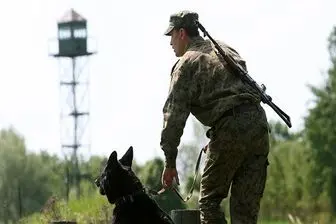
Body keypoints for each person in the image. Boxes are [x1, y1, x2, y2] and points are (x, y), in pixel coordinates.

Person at [160, 10, 270, 224]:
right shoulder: (224, 49)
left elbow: (173, 117)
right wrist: (222, 136)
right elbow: (236, 94)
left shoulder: (186, 64)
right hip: (258, 124)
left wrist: (170, 161)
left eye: (171, 36)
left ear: (182, 33)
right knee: (245, 212)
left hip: (230, 127)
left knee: (209, 203)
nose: (170, 42)